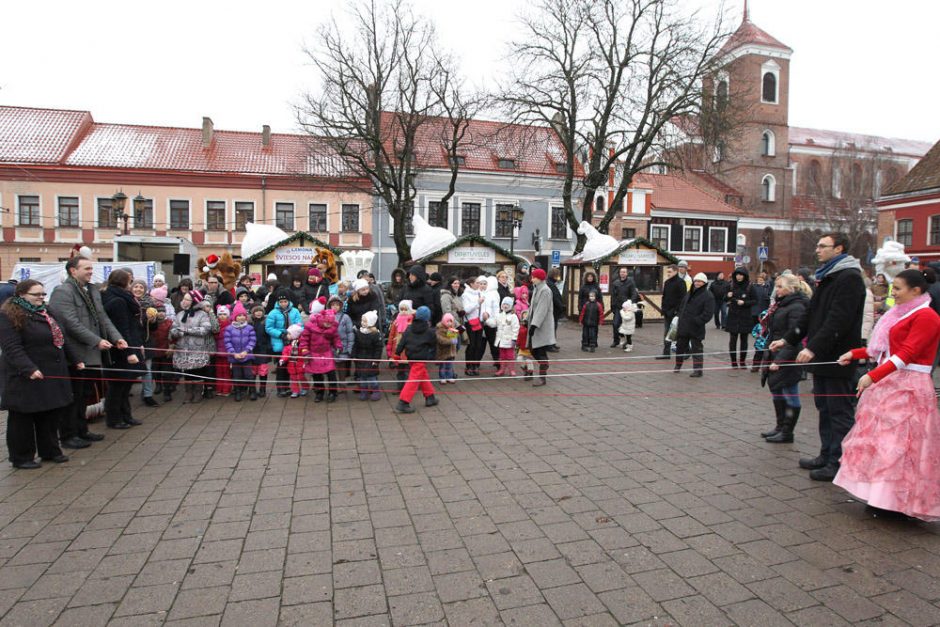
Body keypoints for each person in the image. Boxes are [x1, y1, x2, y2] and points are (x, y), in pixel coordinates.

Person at [833, 269, 940, 521]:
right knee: (882, 442)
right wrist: (856, 353)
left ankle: (899, 500)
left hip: (909, 386)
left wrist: (872, 376)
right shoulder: (899, 313)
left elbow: (907, 353)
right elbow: (883, 349)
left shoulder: (927, 317)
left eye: (898, 289)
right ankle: (881, 497)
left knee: (902, 445)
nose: (894, 294)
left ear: (916, 290)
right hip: (891, 382)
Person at [769, 233, 866, 482]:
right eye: (818, 245)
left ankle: (838, 462)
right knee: (823, 407)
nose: (817, 250)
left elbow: (839, 319)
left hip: (839, 357)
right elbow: (811, 314)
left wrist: (812, 347)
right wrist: (789, 339)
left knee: (838, 411)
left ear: (839, 248)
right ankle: (826, 455)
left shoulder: (849, 278)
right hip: (823, 357)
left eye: (823, 246)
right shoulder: (827, 275)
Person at [0, 280, 77, 468]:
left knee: (50, 413)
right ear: (21, 295)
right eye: (37, 295)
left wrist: (75, 359)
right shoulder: (8, 315)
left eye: (43, 294)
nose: (41, 298)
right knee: (23, 418)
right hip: (25, 375)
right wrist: (29, 368)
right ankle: (21, 457)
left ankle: (50, 450)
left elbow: (61, 338)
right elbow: (12, 347)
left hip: (51, 372)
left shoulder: (46, 311)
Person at [49, 257, 123, 448]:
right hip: (75, 353)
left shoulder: (92, 290)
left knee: (85, 394)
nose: (91, 271)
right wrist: (96, 340)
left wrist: (117, 338)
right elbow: (70, 323)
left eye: (91, 268)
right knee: (73, 395)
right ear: (73, 271)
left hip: (92, 353)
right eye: (87, 268)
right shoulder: (63, 292)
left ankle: (82, 430)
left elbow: (102, 318)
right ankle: (67, 435)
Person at [760, 274, 811, 443]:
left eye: (780, 286)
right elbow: (774, 331)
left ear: (791, 288)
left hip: (788, 357)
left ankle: (788, 432)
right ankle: (780, 427)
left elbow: (793, 338)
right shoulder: (781, 304)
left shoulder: (796, 307)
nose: (777, 289)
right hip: (775, 353)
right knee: (777, 390)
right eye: (776, 286)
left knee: (790, 392)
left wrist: (779, 360)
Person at [100, 269, 145, 429]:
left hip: (127, 345)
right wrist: (130, 352)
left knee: (126, 385)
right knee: (117, 387)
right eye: (130, 281)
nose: (132, 284)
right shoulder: (117, 301)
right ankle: (114, 418)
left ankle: (126, 415)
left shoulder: (118, 297)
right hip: (121, 350)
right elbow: (123, 328)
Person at [170, 292, 213, 404]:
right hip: (183, 348)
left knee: (197, 370)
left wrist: (187, 330)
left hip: (197, 348)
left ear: (194, 301)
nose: (184, 301)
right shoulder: (180, 314)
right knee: (187, 371)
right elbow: (173, 329)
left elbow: (205, 329)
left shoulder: (202, 315)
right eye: (184, 299)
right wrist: (177, 333)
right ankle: (189, 392)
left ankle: (198, 392)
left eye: (187, 299)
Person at [394, 306, 438, 413]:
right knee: (413, 380)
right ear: (428, 318)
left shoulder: (409, 329)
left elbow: (402, 342)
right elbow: (434, 346)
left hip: (411, 357)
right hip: (422, 358)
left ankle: (430, 397)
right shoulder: (430, 332)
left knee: (423, 376)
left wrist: (397, 353)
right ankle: (403, 402)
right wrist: (434, 358)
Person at [673, 273, 714, 378]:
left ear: (704, 283)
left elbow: (708, 314)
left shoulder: (708, 295)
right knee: (680, 347)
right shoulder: (689, 292)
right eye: (696, 281)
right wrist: (679, 316)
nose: (697, 283)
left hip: (696, 327)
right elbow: (682, 306)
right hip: (683, 325)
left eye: (700, 281)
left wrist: (697, 321)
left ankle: (698, 370)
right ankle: (678, 365)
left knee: (697, 349)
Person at [266, 290, 303, 398]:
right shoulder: (273, 313)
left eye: (285, 301)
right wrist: (281, 334)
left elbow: (300, 325)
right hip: (279, 342)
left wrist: (292, 333)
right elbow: (269, 328)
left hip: (292, 341)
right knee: (281, 366)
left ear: (288, 301)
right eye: (281, 302)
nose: (283, 303)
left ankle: (289, 387)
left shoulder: (295, 311)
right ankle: (281, 388)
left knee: (291, 366)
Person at [527, 268, 556, 386]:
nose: (532, 278)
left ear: (539, 278)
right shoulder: (536, 288)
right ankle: (544, 364)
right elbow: (533, 307)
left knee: (540, 350)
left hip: (541, 326)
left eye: (534, 277)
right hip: (535, 323)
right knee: (533, 349)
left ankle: (542, 377)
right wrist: (527, 319)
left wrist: (534, 325)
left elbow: (541, 310)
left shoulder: (545, 290)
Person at [224, 303, 257, 402]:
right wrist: (233, 353)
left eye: (243, 315)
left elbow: (252, 340)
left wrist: (246, 351)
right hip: (235, 357)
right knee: (236, 375)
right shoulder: (229, 329)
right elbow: (227, 342)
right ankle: (238, 392)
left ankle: (252, 391)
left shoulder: (249, 328)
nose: (241, 317)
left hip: (247, 356)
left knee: (249, 375)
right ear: (234, 317)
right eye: (239, 315)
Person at [725, 268, 756, 369]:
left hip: (745, 316)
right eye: (737, 275)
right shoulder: (731, 285)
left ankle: (742, 362)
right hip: (733, 315)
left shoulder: (750, 286)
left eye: (741, 275)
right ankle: (733, 362)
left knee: (744, 340)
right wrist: (727, 296)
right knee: (732, 340)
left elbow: (755, 300)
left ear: (745, 276)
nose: (739, 277)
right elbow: (724, 298)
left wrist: (745, 303)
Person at [657, 264, 687, 360]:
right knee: (667, 333)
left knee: (677, 333)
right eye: (667, 272)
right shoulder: (667, 282)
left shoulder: (681, 282)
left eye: (670, 272)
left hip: (675, 313)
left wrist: (676, 312)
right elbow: (664, 297)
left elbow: (683, 299)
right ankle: (666, 353)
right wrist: (663, 309)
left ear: (675, 271)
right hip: (667, 312)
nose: (668, 274)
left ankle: (687, 350)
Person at [352, 310, 383, 401]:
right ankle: (364, 391)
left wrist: (376, 360)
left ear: (371, 322)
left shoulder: (375, 334)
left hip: (371, 358)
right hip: (360, 358)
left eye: (365, 321)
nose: (362, 323)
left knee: (372, 376)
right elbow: (355, 345)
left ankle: (375, 391)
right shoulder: (358, 332)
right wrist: (354, 355)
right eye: (362, 320)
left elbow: (378, 348)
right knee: (361, 377)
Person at [149, 302, 176, 403]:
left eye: (163, 311)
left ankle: (167, 391)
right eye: (159, 311)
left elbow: (173, 336)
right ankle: (158, 384)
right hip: (154, 351)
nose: (161, 313)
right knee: (155, 370)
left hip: (166, 351)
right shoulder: (151, 323)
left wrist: (172, 347)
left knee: (167, 372)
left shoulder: (169, 323)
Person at [329, 296, 355, 394]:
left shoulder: (345, 317)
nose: (335, 307)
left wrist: (349, 347)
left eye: (337, 305)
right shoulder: (326, 316)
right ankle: (333, 385)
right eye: (332, 305)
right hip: (330, 346)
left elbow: (350, 332)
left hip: (342, 345)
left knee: (341, 367)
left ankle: (342, 385)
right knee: (331, 367)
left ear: (341, 306)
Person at [609, 267, 639, 347]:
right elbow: (613, 296)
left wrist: (631, 302)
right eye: (621, 272)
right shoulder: (616, 283)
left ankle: (628, 342)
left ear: (627, 273)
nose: (622, 273)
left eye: (624, 272)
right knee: (615, 324)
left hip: (627, 308)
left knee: (627, 326)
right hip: (618, 308)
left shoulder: (631, 282)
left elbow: (634, 293)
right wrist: (613, 306)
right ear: (619, 273)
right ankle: (616, 341)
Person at [461, 279, 485, 376]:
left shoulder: (479, 293)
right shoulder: (465, 295)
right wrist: (477, 303)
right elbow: (466, 309)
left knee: (478, 345)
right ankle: (468, 367)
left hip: (479, 322)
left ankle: (475, 366)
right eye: (477, 283)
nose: (479, 285)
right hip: (470, 323)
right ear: (471, 284)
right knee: (471, 345)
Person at [750, 273, 772, 371]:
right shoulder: (754, 287)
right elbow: (754, 331)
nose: (760, 281)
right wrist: (756, 336)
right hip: (759, 343)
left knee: (766, 355)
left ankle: (764, 367)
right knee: (758, 355)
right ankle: (755, 367)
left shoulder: (767, 287)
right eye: (759, 279)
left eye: (761, 279)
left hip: (766, 343)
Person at [249, 305, 272, 398]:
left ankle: (263, 389)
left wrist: (268, 348)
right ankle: (253, 390)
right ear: (253, 313)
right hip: (252, 350)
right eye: (256, 311)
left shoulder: (266, 323)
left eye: (260, 311)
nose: (258, 313)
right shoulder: (250, 323)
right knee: (253, 371)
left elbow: (269, 337)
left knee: (263, 371)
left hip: (263, 350)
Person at [495, 297, 521, 376]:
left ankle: (511, 370)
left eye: (507, 304)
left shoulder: (513, 316)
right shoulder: (499, 315)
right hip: (501, 339)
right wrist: (487, 320)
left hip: (509, 340)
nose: (505, 306)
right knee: (502, 355)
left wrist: (514, 339)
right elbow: (494, 322)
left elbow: (516, 328)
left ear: (511, 306)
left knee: (510, 355)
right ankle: (502, 369)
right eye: (504, 304)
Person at [278, 325, 306, 398]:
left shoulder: (301, 344)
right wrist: (283, 359)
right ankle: (295, 391)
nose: (287, 335)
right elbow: (285, 353)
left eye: (289, 334)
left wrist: (305, 361)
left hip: (300, 363)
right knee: (293, 378)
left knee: (301, 377)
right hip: (291, 364)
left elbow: (304, 352)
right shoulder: (288, 344)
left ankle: (305, 387)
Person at [213, 305, 233, 397]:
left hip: (226, 353)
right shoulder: (215, 325)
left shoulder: (230, 325)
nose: (222, 316)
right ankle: (219, 388)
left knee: (226, 371)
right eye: (220, 314)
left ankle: (226, 388)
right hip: (217, 352)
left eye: (224, 314)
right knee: (218, 371)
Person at [481, 276, 501, 365]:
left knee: (492, 343)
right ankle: (497, 361)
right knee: (489, 343)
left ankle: (497, 361)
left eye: (485, 284)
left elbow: (495, 309)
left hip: (490, 322)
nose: (483, 285)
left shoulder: (492, 294)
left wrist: (491, 320)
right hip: (486, 321)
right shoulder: (487, 293)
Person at [436, 313, 460, 384]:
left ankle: (449, 376)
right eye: (448, 321)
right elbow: (441, 340)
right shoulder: (440, 329)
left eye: (451, 321)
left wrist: (455, 336)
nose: (449, 323)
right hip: (443, 351)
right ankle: (442, 377)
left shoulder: (452, 328)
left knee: (449, 365)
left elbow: (454, 339)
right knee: (443, 365)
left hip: (451, 351)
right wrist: (450, 341)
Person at [546, 268, 564, 352]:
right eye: (557, 275)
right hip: (553, 310)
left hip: (554, 310)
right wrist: (561, 306)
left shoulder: (551, 283)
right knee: (551, 328)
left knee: (553, 327)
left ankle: (552, 344)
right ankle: (550, 345)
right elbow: (555, 297)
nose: (558, 277)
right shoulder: (550, 284)